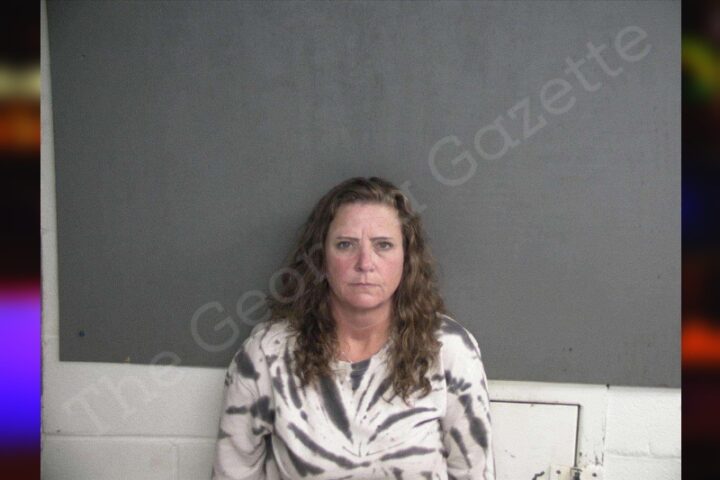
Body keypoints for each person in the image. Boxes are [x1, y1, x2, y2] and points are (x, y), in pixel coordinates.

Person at [212, 177, 495, 479]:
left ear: (406, 257)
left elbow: (474, 473)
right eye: (345, 245)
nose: (365, 263)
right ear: (321, 257)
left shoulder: (449, 349)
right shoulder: (268, 354)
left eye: (383, 245)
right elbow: (232, 473)